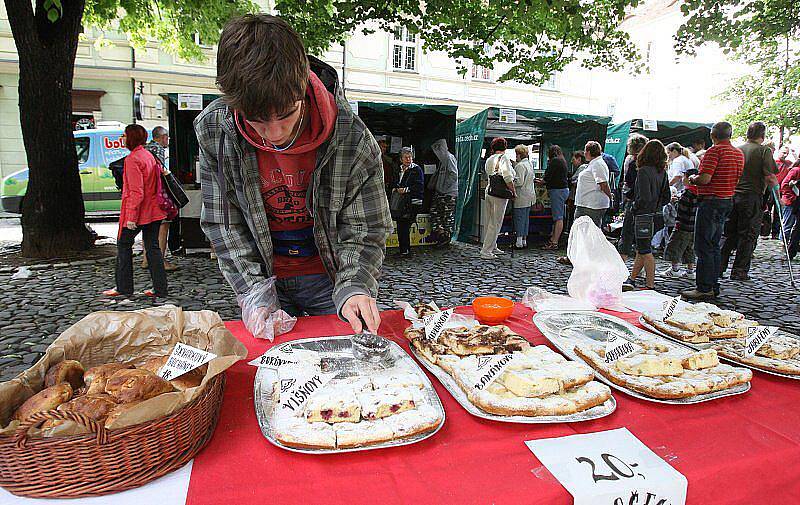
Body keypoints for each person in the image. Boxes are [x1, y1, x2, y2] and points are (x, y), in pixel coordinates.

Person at [193, 14, 391, 334]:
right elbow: (223, 222)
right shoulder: (215, 130)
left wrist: (355, 285)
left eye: (286, 115)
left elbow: (366, 227)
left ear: (303, 87)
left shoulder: (352, 138)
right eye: (257, 120)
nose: (274, 134)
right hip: (262, 272)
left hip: (329, 276)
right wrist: (253, 292)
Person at [103, 124, 168, 299]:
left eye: (124, 136)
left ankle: (124, 287)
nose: (121, 139)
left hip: (140, 212)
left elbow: (136, 192)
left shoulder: (132, 159)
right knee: (153, 248)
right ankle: (160, 289)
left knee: (124, 246)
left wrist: (131, 217)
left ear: (131, 138)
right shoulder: (148, 156)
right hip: (154, 210)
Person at [682, 121, 744, 301]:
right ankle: (712, 283)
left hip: (711, 201)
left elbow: (705, 179)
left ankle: (704, 287)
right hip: (727, 199)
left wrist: (693, 178)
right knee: (715, 245)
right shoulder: (738, 153)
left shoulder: (714, 152)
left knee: (703, 245)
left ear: (712, 135)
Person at [719, 121, 778, 281]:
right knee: (748, 235)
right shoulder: (763, 150)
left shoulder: (738, 149)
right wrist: (778, 197)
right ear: (763, 135)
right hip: (752, 196)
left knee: (729, 233)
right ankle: (739, 271)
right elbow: (770, 175)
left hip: (733, 194)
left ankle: (718, 266)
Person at [623, 139, 671, 291]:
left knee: (645, 250)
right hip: (657, 215)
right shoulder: (662, 172)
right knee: (642, 249)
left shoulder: (643, 171)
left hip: (644, 216)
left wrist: (635, 208)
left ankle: (650, 285)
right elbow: (667, 196)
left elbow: (644, 197)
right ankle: (632, 278)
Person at [141, 125, 178, 272]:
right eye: (166, 137)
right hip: (157, 195)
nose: (167, 140)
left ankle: (146, 259)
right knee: (163, 226)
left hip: (146, 195)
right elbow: (160, 172)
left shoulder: (145, 149)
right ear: (162, 137)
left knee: (148, 227)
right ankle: (160, 261)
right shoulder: (158, 150)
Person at [659, 168, 699, 279]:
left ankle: (674, 269)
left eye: (684, 176)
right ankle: (690, 271)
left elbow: (682, 209)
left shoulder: (687, 192)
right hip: (693, 226)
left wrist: (675, 201)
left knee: (675, 246)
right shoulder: (698, 191)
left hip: (683, 224)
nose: (682, 179)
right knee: (689, 248)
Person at [481, 137, 515, 259]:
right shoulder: (504, 158)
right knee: (495, 222)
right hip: (499, 193)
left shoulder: (489, 159)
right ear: (505, 147)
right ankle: (486, 251)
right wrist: (513, 191)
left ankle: (492, 246)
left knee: (488, 221)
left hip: (489, 190)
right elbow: (507, 177)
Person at [618, 133, 649, 260]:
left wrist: (627, 196)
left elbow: (631, 183)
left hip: (634, 202)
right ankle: (639, 266)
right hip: (648, 204)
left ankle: (622, 264)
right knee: (642, 237)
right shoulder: (653, 165)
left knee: (627, 232)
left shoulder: (632, 163)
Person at [393, 147, 424, 256]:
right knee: (400, 224)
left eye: (410, 157)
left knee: (405, 224)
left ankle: (405, 250)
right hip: (401, 202)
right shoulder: (399, 169)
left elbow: (419, 186)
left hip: (412, 202)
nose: (408, 159)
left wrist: (405, 189)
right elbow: (396, 182)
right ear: (401, 159)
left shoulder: (416, 169)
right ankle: (403, 249)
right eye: (406, 157)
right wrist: (396, 188)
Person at [574, 141, 612, 228]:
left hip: (592, 205)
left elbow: (603, 184)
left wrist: (610, 197)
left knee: (589, 231)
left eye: (585, 151)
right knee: (583, 231)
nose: (584, 153)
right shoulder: (595, 163)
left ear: (589, 152)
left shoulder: (598, 164)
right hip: (587, 204)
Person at [429, 138, 458, 246]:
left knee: (447, 216)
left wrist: (443, 187)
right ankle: (441, 234)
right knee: (435, 212)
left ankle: (445, 237)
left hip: (448, 193)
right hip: (442, 192)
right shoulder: (443, 160)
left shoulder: (449, 158)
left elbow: (453, 175)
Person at [538, 145, 569, 249]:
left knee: (558, 217)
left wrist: (539, 182)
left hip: (557, 191)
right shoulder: (562, 160)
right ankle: (553, 240)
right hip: (562, 190)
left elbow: (547, 177)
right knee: (558, 217)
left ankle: (554, 242)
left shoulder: (554, 161)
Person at [512, 144, 536, 248]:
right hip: (530, 195)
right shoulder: (529, 164)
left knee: (519, 218)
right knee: (526, 219)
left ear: (519, 154)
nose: (516, 156)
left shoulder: (520, 166)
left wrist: (511, 180)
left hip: (521, 195)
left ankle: (518, 242)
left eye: (516, 154)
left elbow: (519, 182)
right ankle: (524, 240)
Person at [781, 161, 800, 260]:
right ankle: (790, 251)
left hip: (795, 201)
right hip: (794, 201)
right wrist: (791, 197)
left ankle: (791, 251)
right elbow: (785, 185)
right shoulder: (796, 170)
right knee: (793, 227)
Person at [566, 151, 587, 233]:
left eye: (573, 159)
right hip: (576, 196)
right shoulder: (582, 168)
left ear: (579, 159)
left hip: (575, 197)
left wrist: (571, 181)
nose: (572, 161)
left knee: (573, 215)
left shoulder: (582, 168)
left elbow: (574, 180)